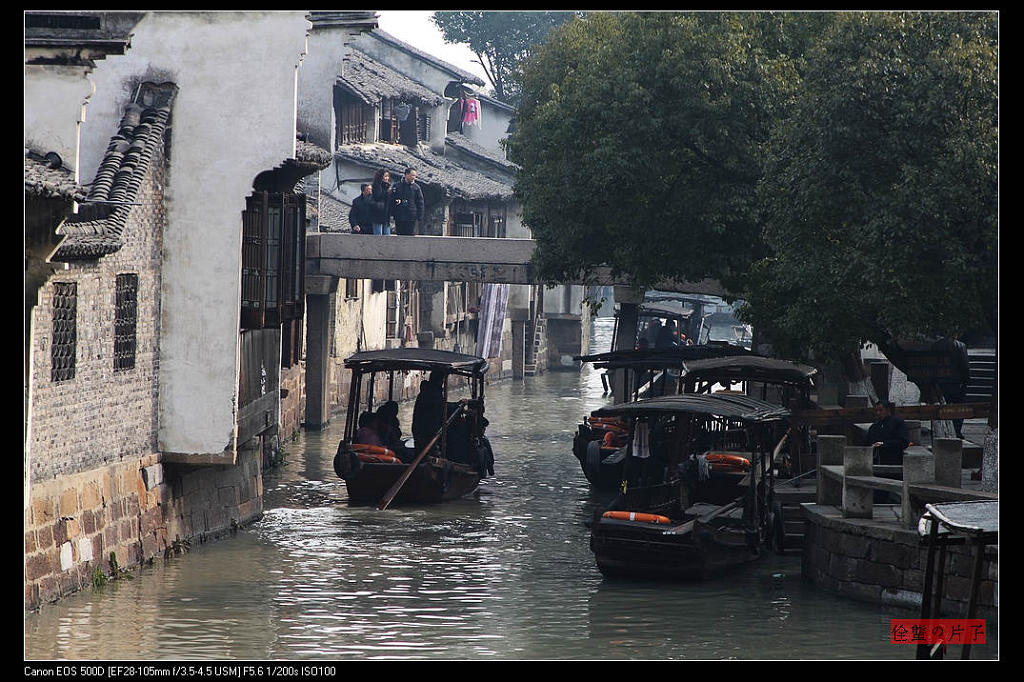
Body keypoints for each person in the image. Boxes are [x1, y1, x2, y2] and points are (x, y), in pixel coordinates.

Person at [932, 335, 971, 439]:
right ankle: (956, 430)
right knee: (959, 407)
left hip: (941, 381)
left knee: (943, 406)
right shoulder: (960, 346)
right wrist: (967, 379)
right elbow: (965, 365)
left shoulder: (936, 345)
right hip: (956, 382)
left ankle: (944, 431)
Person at [412, 371, 446, 454]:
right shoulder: (433, 394)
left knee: (421, 451)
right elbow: (440, 408)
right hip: (429, 431)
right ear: (440, 381)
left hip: (420, 430)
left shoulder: (425, 392)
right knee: (428, 452)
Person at [866, 400, 910, 465]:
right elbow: (868, 441)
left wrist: (883, 444)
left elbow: (903, 442)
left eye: (881, 410)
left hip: (894, 460)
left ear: (887, 410)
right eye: (876, 411)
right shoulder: (875, 426)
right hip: (877, 461)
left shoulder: (898, 423)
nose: (878, 413)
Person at [391, 167, 424, 236]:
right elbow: (391, 199)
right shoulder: (397, 186)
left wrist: (420, 216)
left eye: (415, 176)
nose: (414, 177)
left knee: (410, 236)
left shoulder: (416, 187)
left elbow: (420, 202)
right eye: (412, 175)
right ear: (406, 175)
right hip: (399, 215)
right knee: (400, 235)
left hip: (411, 216)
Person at [369, 168, 393, 235]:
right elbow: (377, 196)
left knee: (387, 235)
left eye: (388, 176)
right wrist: (387, 192)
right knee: (378, 235)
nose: (387, 178)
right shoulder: (376, 186)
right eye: (385, 176)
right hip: (378, 213)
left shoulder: (388, 186)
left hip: (386, 213)